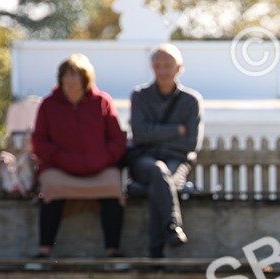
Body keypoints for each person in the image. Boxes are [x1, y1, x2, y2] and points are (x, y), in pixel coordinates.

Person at [31, 53, 127, 258]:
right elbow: (39, 141)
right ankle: (44, 250)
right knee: (51, 187)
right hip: (59, 168)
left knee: (113, 186)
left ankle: (113, 250)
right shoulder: (48, 105)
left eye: (75, 75)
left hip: (100, 168)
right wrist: (62, 159)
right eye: (66, 75)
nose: (70, 80)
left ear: (85, 79)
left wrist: (101, 160)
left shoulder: (103, 102)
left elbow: (117, 140)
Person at [128, 43, 203, 259]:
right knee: (158, 172)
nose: (162, 71)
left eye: (167, 65)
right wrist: (175, 130)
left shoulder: (191, 101)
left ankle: (156, 252)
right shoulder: (140, 96)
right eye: (157, 66)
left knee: (160, 182)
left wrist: (157, 136)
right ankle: (172, 227)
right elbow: (139, 134)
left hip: (176, 161)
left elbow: (190, 143)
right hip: (145, 161)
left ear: (179, 67)